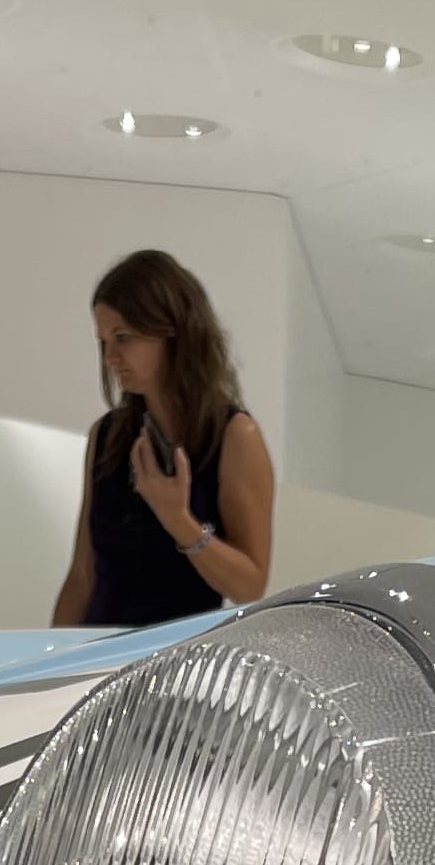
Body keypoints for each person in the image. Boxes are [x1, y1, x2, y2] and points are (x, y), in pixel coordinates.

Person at [53, 249, 274, 627]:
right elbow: (83, 574)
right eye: (103, 340)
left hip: (174, 669)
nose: (110, 357)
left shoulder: (236, 437)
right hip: (95, 660)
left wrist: (178, 519)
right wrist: (49, 666)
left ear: (173, 332)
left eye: (123, 337)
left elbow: (250, 586)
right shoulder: (106, 436)